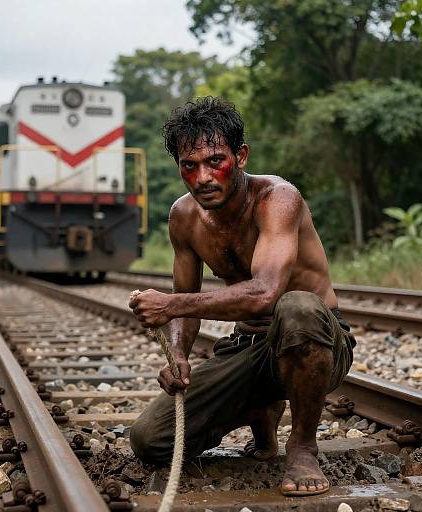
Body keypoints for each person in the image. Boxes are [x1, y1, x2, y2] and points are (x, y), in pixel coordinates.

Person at [128, 97, 356, 497]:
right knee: (151, 440)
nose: (203, 177)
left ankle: (302, 446)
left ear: (241, 155)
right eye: (189, 166)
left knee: (296, 306)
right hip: (248, 346)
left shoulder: (277, 199)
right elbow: (187, 299)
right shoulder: (183, 217)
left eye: (216, 161)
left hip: (318, 341)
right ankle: (260, 411)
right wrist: (178, 353)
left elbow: (266, 293)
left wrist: (169, 306)